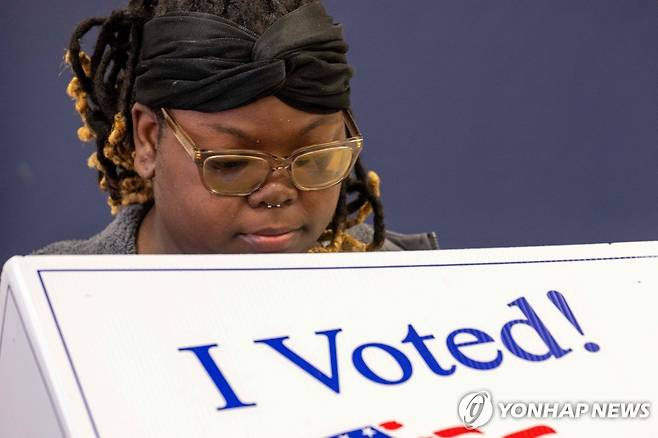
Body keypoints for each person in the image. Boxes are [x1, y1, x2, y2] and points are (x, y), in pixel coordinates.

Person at [35, 0, 438, 255]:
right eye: (230, 164)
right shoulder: (55, 305)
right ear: (147, 140)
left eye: (316, 160)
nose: (278, 194)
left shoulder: (413, 287)